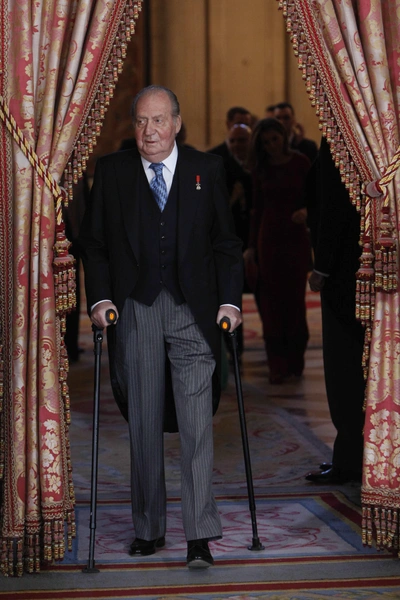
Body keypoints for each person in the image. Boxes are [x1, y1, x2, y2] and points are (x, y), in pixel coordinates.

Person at [78, 85, 244, 569]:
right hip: (136, 310)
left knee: (197, 426)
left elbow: (226, 244)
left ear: (176, 123)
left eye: (158, 120)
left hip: (194, 312)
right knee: (145, 422)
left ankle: (199, 534)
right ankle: (148, 528)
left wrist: (230, 303)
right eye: (141, 122)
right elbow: (95, 244)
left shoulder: (207, 169)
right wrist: (100, 298)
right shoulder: (113, 172)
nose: (149, 131)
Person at [305, 137, 365, 484]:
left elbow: (333, 206)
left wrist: (321, 268)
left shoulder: (341, 138)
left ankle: (349, 460)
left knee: (345, 370)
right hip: (379, 267)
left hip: (344, 272)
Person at [245, 118, 311, 384]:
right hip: (269, 238)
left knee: (294, 301)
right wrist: (251, 246)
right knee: (271, 303)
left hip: (295, 237)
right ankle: (277, 364)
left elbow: (314, 198)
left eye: (275, 139)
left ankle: (295, 360)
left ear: (283, 137)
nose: (271, 145)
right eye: (266, 142)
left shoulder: (301, 163)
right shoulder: (261, 169)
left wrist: (306, 212)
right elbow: (256, 210)